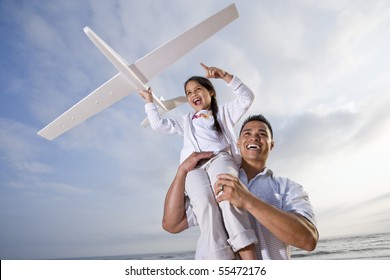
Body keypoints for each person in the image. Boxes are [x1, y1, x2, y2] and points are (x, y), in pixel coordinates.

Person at [138, 63, 257, 260]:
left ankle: (246, 251)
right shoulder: (185, 121)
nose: (193, 94)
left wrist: (225, 75)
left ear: (210, 92)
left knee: (226, 195)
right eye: (189, 92)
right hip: (194, 168)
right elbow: (159, 126)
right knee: (203, 204)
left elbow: (247, 98)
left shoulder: (224, 113)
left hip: (219, 158)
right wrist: (150, 102)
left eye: (198, 89)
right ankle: (221, 259)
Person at [162, 114, 319, 259]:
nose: (254, 137)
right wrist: (181, 172)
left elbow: (308, 240)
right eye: (247, 133)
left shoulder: (288, 188)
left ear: (271, 145)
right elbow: (172, 224)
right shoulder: (214, 178)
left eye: (262, 134)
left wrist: (248, 200)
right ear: (237, 143)